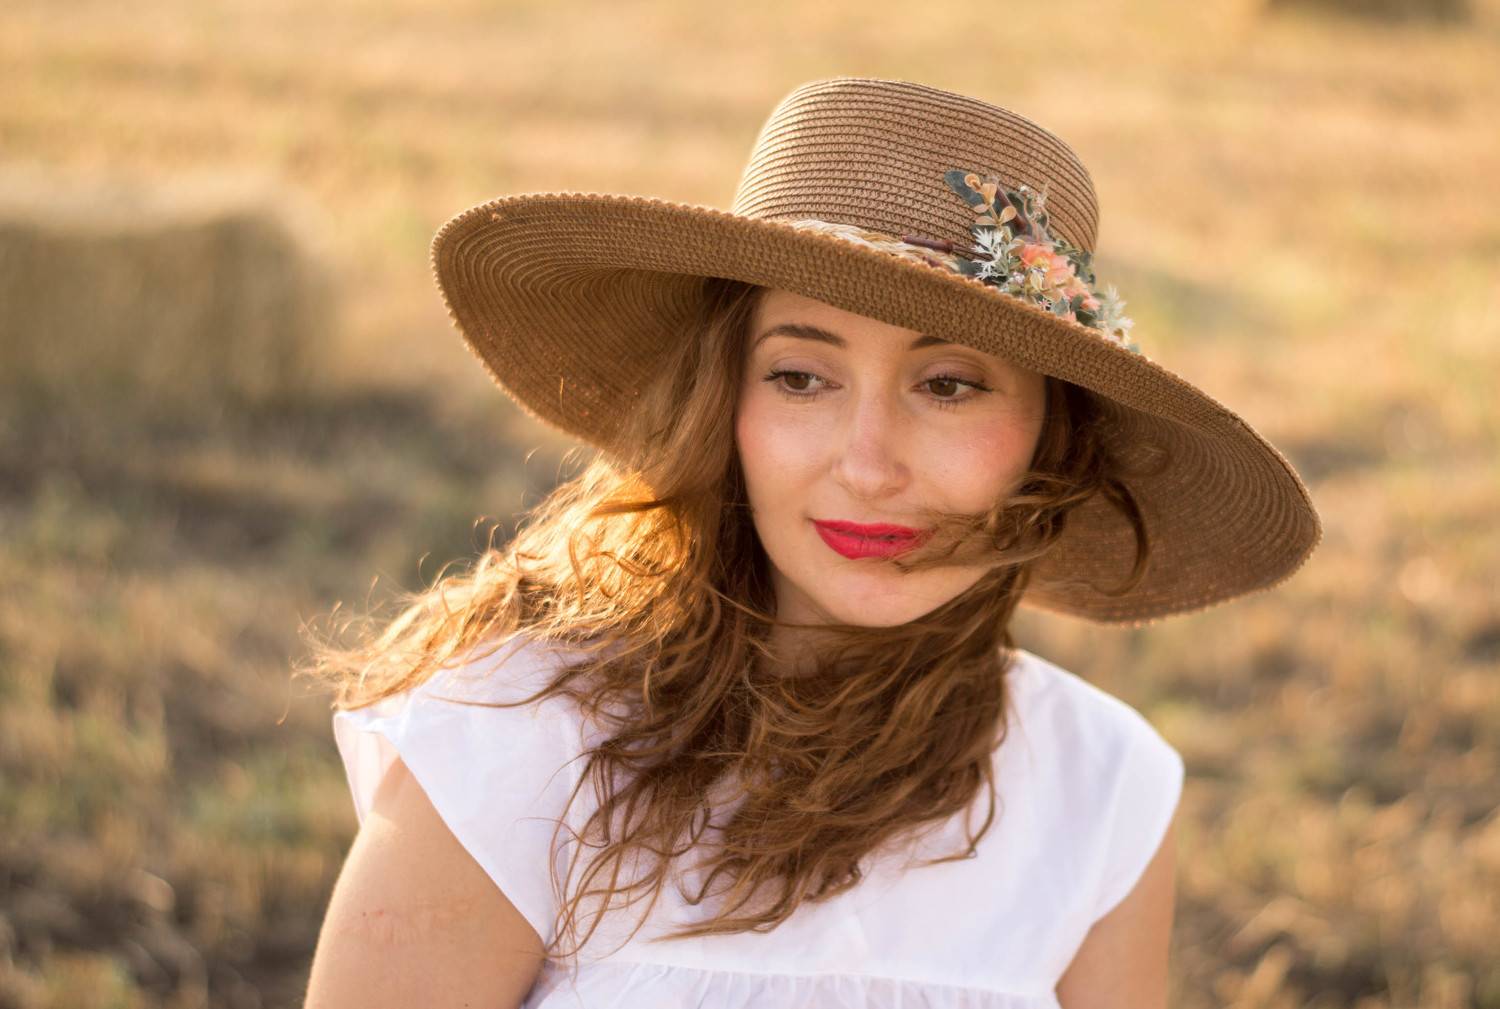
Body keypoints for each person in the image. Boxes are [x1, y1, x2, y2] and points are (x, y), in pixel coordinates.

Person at [299, 77, 1322, 1009]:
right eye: (800, 376)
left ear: (1052, 435)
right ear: (723, 402)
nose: (868, 465)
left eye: (949, 385)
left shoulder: (1102, 787)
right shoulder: (517, 739)